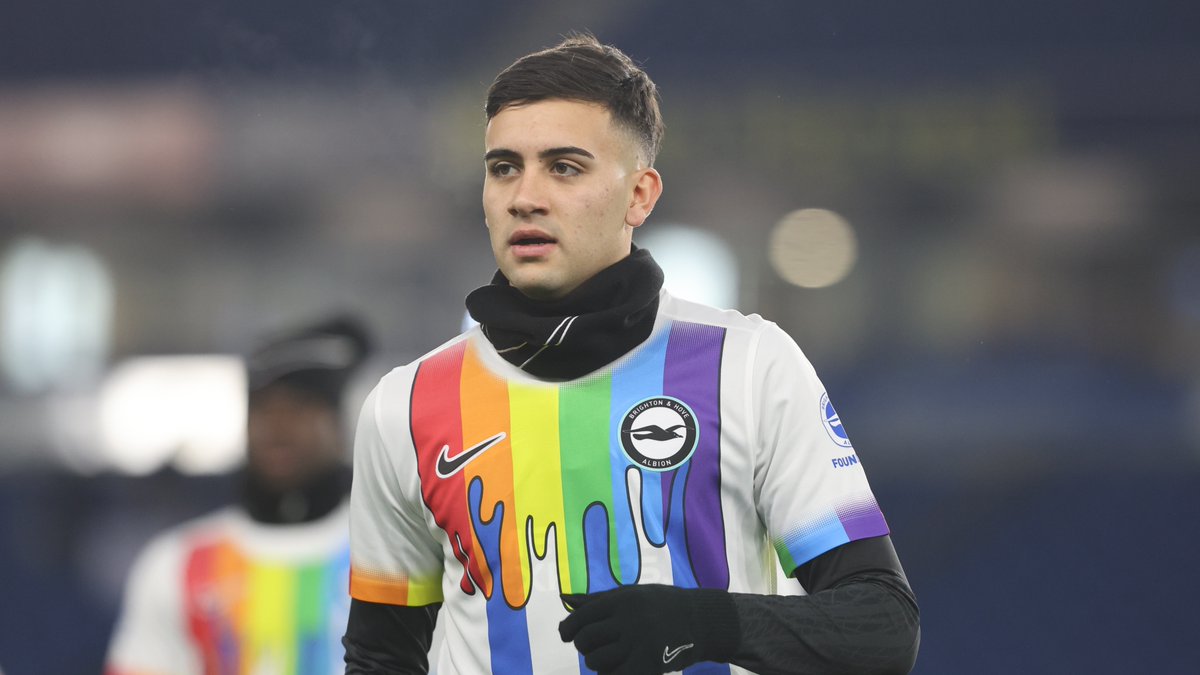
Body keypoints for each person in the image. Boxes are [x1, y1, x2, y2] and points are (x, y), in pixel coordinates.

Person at [343, 33, 919, 675]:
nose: (524, 196)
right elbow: (379, 656)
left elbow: (883, 626)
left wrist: (705, 625)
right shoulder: (407, 405)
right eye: (504, 166)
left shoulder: (750, 366)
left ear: (640, 196)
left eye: (564, 167)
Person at [106, 316, 372, 674]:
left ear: (338, 426)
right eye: (263, 410)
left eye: (300, 409)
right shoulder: (178, 563)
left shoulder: (390, 559)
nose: (278, 428)